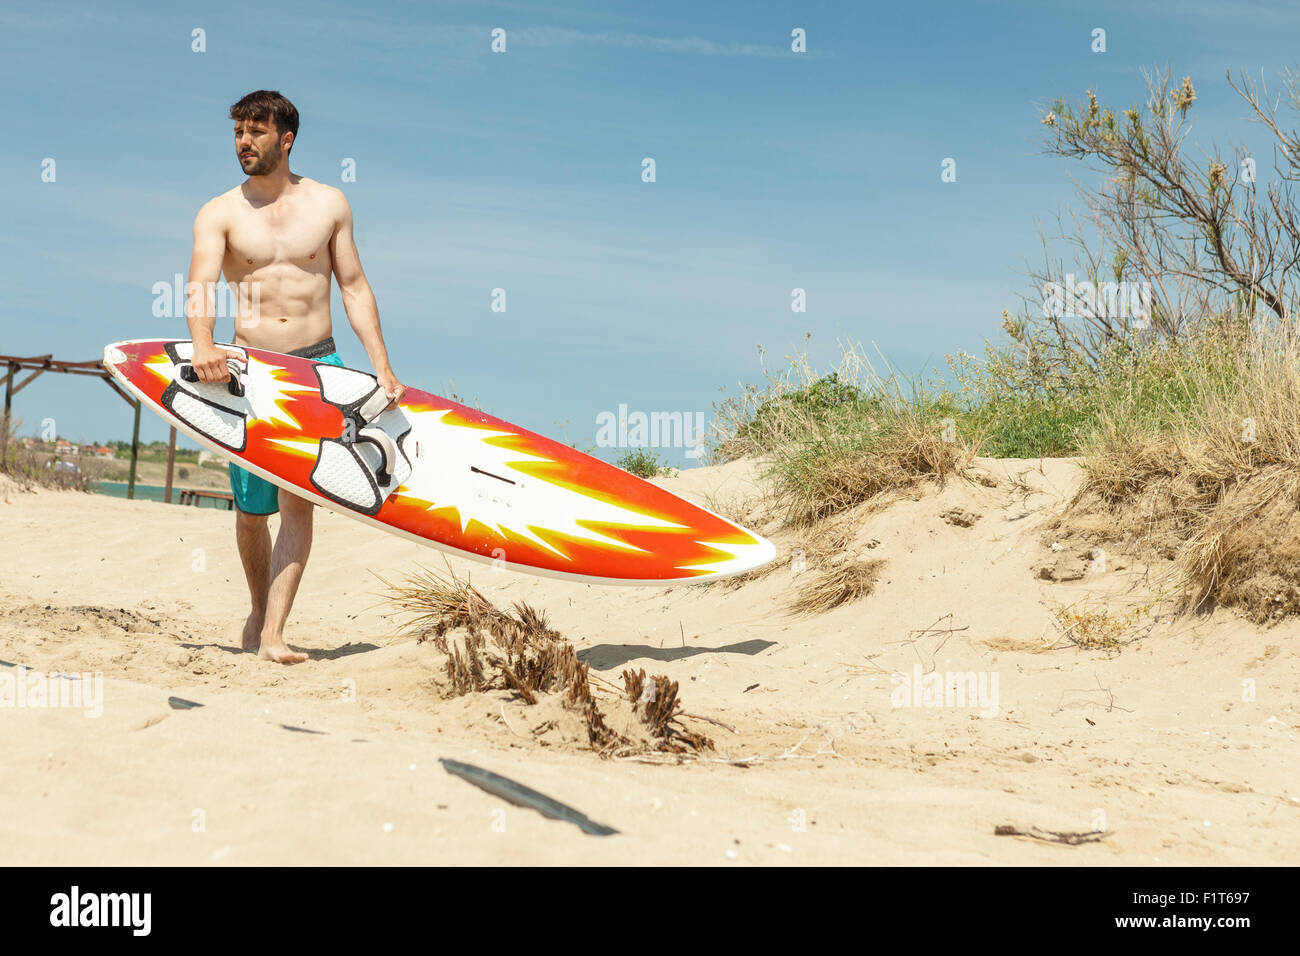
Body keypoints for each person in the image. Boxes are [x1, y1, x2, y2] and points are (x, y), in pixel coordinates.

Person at [184, 90, 405, 663]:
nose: (244, 143)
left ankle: (274, 632)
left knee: (298, 503)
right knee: (252, 509)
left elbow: (354, 287)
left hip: (317, 367)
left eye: (256, 132)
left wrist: (381, 365)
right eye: (238, 133)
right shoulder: (219, 212)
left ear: (286, 139)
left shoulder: (330, 204)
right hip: (249, 370)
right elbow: (201, 286)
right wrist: (205, 345)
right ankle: (259, 609)